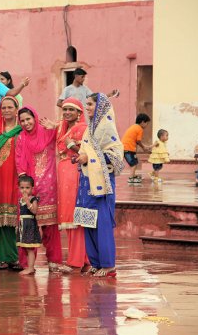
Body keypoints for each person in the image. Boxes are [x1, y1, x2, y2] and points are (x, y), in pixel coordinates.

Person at [75, 93, 124, 278]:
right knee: (88, 222)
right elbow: (85, 150)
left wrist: (90, 157)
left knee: (102, 224)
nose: (87, 108)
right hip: (88, 180)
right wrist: (81, 157)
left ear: (100, 106)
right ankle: (95, 263)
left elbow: (116, 157)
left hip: (103, 184)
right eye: (86, 104)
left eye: (90, 104)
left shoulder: (107, 128)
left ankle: (108, 265)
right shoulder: (90, 129)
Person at [15, 106, 67, 272]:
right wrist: (25, 187)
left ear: (34, 117)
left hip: (49, 186)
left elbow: (67, 132)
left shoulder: (47, 132)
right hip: (30, 187)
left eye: (28, 119)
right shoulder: (21, 138)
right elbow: (19, 161)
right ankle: (27, 264)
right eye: (22, 120)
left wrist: (56, 126)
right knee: (28, 226)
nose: (26, 123)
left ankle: (54, 262)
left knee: (50, 226)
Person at [41, 98, 88, 272]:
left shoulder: (82, 129)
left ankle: (76, 261)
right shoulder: (64, 126)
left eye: (71, 109)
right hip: (63, 172)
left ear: (79, 113)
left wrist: (72, 145)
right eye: (65, 109)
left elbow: (85, 151)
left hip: (73, 171)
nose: (67, 112)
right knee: (68, 215)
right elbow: (56, 126)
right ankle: (81, 258)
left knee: (74, 215)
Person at [0, 96, 22, 270]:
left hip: (15, 179)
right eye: (4, 107)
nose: (7, 110)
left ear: (17, 109)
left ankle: (15, 258)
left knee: (14, 219)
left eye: (10, 107)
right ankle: (3, 257)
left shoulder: (21, 131)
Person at [16, 175, 42, 276]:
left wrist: (27, 201)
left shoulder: (32, 199)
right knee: (26, 248)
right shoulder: (20, 199)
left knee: (30, 248)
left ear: (32, 188)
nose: (24, 190)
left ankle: (31, 268)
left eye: (27, 187)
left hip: (30, 225)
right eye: (22, 188)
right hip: (23, 225)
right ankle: (29, 267)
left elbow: (34, 211)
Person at [121, 113, 152, 183]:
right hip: (128, 149)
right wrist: (144, 147)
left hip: (126, 148)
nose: (147, 125)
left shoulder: (134, 126)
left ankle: (133, 176)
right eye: (147, 123)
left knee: (135, 162)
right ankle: (131, 178)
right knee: (134, 164)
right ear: (142, 122)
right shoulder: (139, 129)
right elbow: (138, 141)